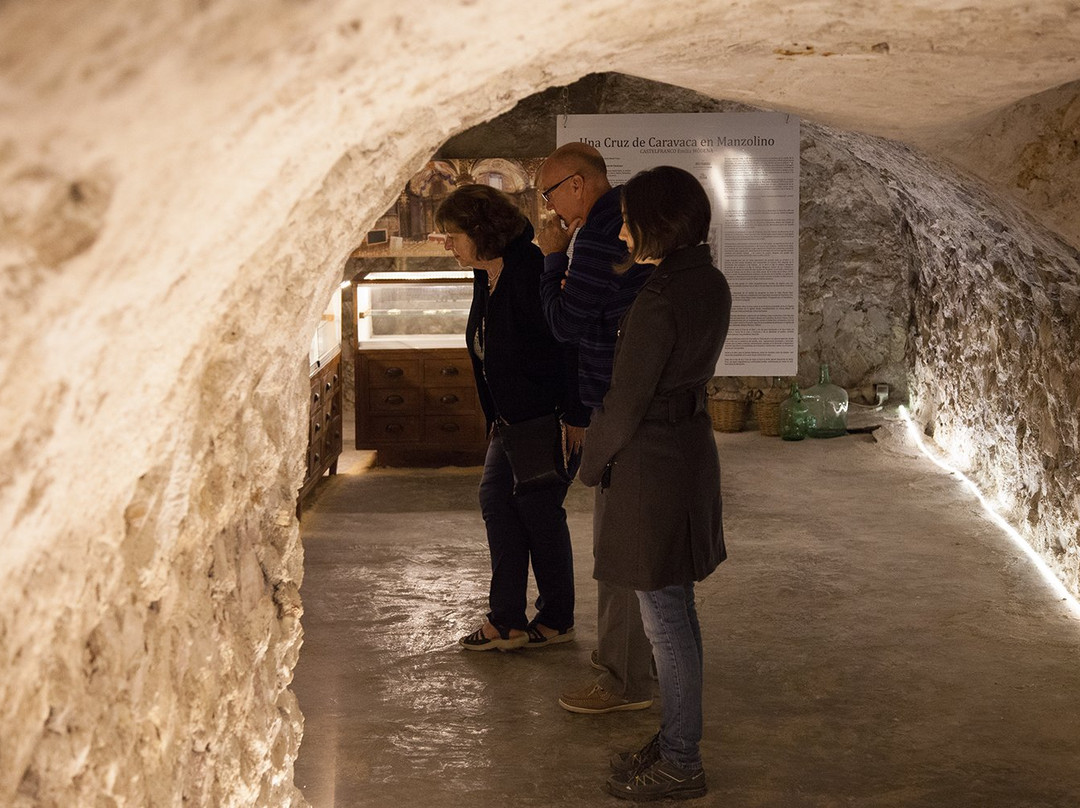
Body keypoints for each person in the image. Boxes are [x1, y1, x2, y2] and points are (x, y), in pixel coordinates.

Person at [578, 166, 732, 801]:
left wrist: (589, 464)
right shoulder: (706, 280)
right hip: (685, 448)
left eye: (628, 218)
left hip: (652, 465)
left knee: (664, 615)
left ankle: (682, 759)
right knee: (677, 608)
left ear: (657, 223)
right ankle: (675, 739)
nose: (620, 229)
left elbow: (626, 400)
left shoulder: (661, 296)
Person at [435, 184, 589, 652]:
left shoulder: (529, 272)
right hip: (511, 421)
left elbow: (568, 346)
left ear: (481, 231)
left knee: (539, 513)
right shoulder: (488, 275)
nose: (446, 243)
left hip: (545, 418)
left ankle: (557, 618)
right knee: (500, 505)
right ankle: (507, 619)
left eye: (452, 234)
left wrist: (575, 417)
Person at [535, 143, 655, 713]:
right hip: (635, 400)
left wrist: (553, 257)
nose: (550, 208)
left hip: (618, 405)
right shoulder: (631, 216)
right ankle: (629, 661)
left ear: (578, 184)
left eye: (550, 193)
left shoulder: (600, 233)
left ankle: (623, 678)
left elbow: (566, 323)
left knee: (615, 548)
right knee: (627, 543)